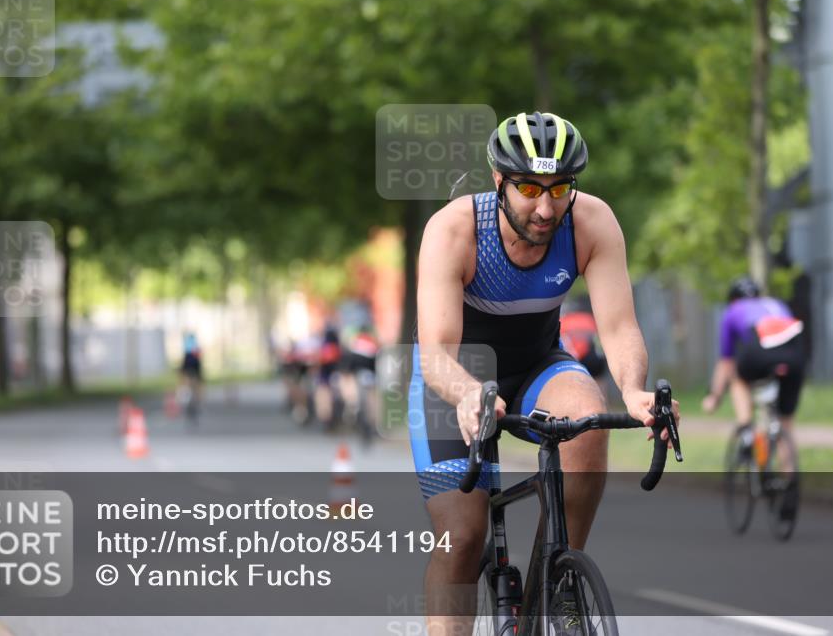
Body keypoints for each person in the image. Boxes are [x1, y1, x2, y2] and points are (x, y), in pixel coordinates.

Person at [408, 111, 679, 634]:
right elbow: (436, 351)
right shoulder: (455, 230)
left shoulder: (590, 223)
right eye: (530, 188)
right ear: (498, 181)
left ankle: (555, 592)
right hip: (458, 376)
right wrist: (468, 395)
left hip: (537, 363)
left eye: (559, 189)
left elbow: (619, 327)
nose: (545, 206)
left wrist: (634, 391)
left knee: (587, 418)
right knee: (462, 536)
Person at [701, 277, 806, 454]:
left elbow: (726, 361)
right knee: (785, 422)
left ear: (733, 299)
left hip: (760, 347)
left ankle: (746, 428)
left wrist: (715, 396)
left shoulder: (733, 310)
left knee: (737, 378)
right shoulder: (776, 303)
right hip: (794, 352)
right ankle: (790, 476)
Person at [337, 324, 381, 443]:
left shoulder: (355, 344)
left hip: (357, 376)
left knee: (355, 397)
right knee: (372, 402)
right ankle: (371, 421)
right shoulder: (373, 344)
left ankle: (352, 408)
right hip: (368, 377)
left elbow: (346, 367)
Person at [179, 332, 203, 423]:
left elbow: (185, 358)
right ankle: (196, 400)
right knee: (196, 385)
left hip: (188, 363)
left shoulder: (187, 344)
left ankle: (187, 398)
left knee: (187, 383)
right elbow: (198, 359)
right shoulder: (195, 345)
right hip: (194, 364)